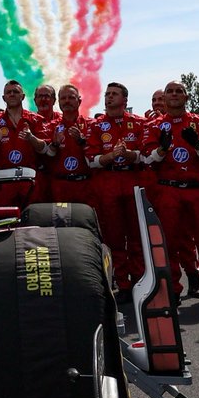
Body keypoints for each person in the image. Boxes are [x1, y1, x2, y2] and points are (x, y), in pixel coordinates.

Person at [143, 81, 199, 309]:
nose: (174, 94)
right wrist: (161, 150)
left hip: (197, 190)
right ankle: (172, 291)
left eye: (179, 91)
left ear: (186, 96)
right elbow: (146, 160)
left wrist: (198, 144)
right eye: (170, 91)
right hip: (168, 191)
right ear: (164, 97)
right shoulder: (155, 126)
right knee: (169, 243)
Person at [85, 82, 149, 300]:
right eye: (107, 94)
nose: (109, 97)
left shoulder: (139, 123)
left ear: (125, 100)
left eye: (114, 94)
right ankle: (122, 284)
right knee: (113, 236)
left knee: (136, 235)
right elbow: (90, 160)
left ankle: (141, 280)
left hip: (133, 178)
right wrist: (109, 157)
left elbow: (148, 155)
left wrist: (133, 155)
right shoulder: (95, 125)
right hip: (108, 180)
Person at [0, 80, 47, 209]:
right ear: (3, 98)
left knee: (32, 224)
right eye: (8, 92)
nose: (12, 94)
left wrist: (31, 138)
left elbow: (45, 150)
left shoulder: (35, 119)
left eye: (15, 92)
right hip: (4, 184)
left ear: (22, 96)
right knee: (5, 224)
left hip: (31, 183)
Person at [41, 84, 93, 204]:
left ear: (79, 101)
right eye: (63, 98)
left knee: (85, 220)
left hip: (85, 186)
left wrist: (82, 141)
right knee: (61, 219)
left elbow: (97, 156)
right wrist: (54, 145)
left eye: (71, 98)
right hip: (60, 188)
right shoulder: (50, 127)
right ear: (58, 102)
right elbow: (45, 156)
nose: (67, 101)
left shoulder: (92, 125)